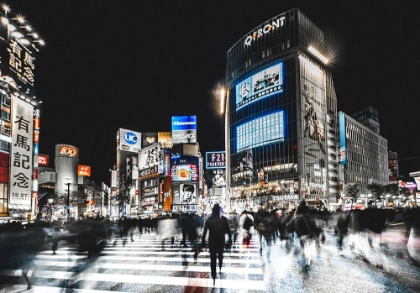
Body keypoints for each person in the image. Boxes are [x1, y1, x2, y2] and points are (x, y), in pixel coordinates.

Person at [201, 203, 232, 285]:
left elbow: (204, 233)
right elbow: (229, 232)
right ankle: (220, 267)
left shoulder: (208, 220)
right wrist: (230, 241)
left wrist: (203, 242)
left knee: (213, 259)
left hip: (212, 242)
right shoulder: (224, 219)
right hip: (221, 241)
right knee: (220, 256)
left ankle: (213, 275)